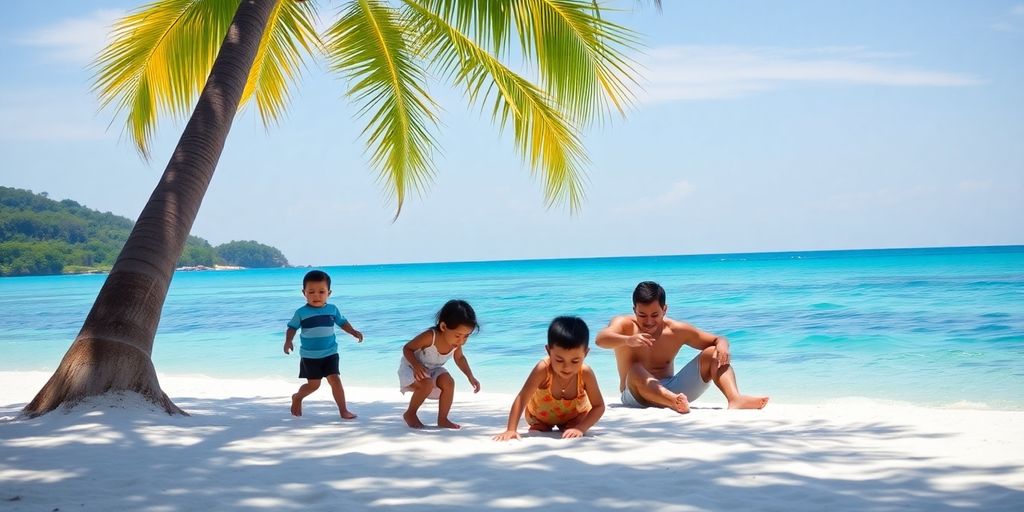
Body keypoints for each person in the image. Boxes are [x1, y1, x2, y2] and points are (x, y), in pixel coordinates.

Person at [596, 281, 769, 412]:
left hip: (674, 391)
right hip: (635, 394)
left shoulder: (676, 330)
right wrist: (627, 340)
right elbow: (600, 339)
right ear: (634, 310)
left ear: (665, 309)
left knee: (712, 353)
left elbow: (718, 339)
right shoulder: (624, 325)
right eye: (642, 315)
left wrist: (723, 345)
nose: (648, 321)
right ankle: (674, 402)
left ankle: (735, 399)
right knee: (635, 370)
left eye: (655, 315)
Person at [493, 316, 605, 441]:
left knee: (575, 425)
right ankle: (543, 426)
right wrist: (511, 429)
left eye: (575, 361)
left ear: (586, 353)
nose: (567, 367)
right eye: (559, 360)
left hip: (574, 418)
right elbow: (522, 398)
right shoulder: (543, 369)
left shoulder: (585, 373)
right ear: (548, 351)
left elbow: (598, 406)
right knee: (538, 428)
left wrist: (581, 428)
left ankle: (573, 425)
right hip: (540, 418)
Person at [284, 270, 364, 420]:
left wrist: (353, 331)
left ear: (329, 293)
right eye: (311, 292)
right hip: (310, 356)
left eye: (321, 292)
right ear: (304, 293)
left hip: (330, 353)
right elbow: (292, 327)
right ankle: (298, 397)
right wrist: (288, 341)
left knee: (335, 380)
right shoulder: (301, 312)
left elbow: (342, 322)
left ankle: (343, 410)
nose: (316, 295)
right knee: (314, 385)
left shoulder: (332, 309)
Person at [399, 299, 481, 429]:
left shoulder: (456, 344)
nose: (462, 341)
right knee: (426, 383)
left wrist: (470, 376)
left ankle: (443, 419)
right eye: (458, 335)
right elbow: (407, 349)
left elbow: (459, 359)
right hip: (411, 367)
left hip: (432, 369)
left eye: (466, 336)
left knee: (448, 382)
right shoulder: (430, 337)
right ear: (443, 327)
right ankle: (410, 413)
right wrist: (416, 365)